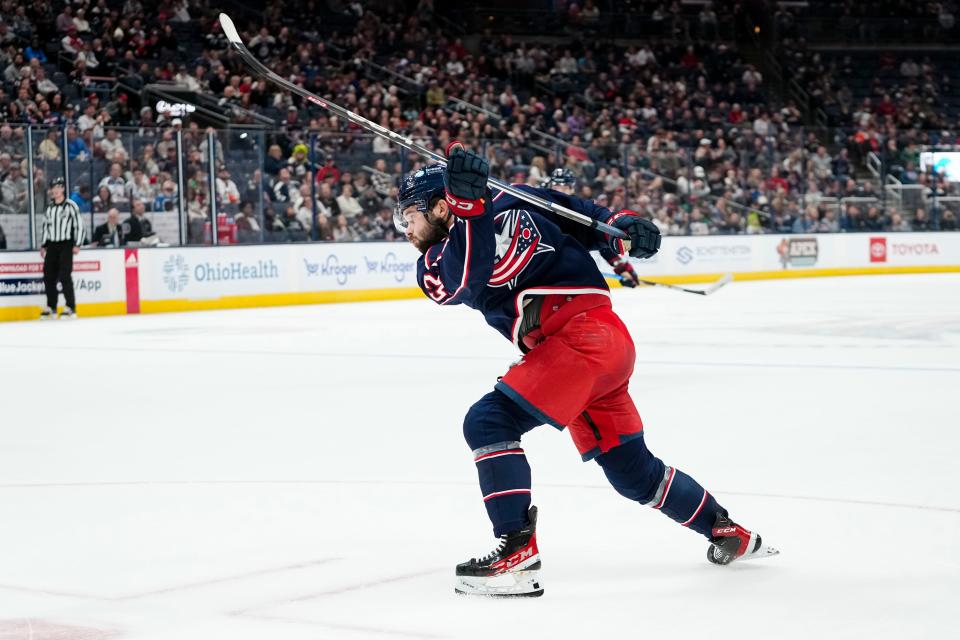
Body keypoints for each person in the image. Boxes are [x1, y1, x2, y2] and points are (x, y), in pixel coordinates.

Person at [395, 143, 777, 598]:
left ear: (439, 205)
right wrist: (470, 210)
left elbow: (579, 214)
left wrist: (623, 228)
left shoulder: (510, 197)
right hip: (582, 351)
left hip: (587, 337)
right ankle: (726, 531)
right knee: (632, 473)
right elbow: (467, 278)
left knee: (489, 421)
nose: (406, 228)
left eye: (409, 216)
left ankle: (517, 556)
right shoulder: (434, 266)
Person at [545, 168, 641, 288]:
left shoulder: (579, 209)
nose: (560, 190)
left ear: (572, 188)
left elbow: (600, 238)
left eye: (565, 187)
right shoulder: (539, 202)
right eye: (557, 186)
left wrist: (622, 268)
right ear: (550, 185)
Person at [39, 177, 85, 318]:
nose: (56, 190)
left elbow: (79, 225)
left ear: (63, 189)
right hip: (52, 245)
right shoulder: (50, 208)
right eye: (54, 187)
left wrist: (77, 244)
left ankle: (71, 306)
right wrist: (43, 245)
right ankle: (52, 307)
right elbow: (45, 227)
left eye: (59, 187)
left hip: (66, 244)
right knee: (48, 276)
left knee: (65, 275)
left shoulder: (71, 205)